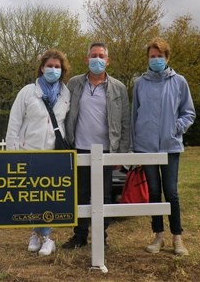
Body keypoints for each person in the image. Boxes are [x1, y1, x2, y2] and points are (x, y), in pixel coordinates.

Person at [62, 42, 130, 249]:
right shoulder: (74, 84)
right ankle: (80, 236)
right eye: (94, 55)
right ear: (86, 59)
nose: (97, 59)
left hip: (107, 150)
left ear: (107, 61)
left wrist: (121, 155)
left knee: (105, 196)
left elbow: (125, 122)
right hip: (80, 147)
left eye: (101, 56)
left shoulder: (118, 87)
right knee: (81, 194)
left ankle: (102, 237)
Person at [132, 37, 196, 256]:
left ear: (167, 58)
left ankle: (177, 237)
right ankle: (158, 236)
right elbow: (134, 115)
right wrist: (135, 144)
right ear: (147, 58)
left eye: (160, 56)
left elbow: (189, 112)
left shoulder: (179, 82)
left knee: (171, 192)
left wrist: (176, 128)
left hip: (170, 146)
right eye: (152, 56)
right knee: (153, 191)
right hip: (146, 147)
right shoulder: (139, 83)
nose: (156, 59)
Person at [5, 49, 71, 256]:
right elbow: (14, 121)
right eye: (49, 66)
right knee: (32, 196)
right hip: (28, 151)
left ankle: (46, 237)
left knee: (48, 196)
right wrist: (12, 151)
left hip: (53, 153)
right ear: (42, 68)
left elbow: (64, 122)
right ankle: (38, 234)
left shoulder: (66, 93)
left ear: (62, 70)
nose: (53, 70)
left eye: (57, 67)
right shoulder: (27, 92)